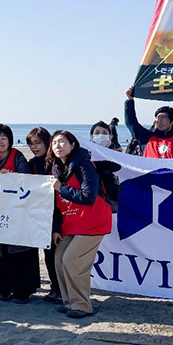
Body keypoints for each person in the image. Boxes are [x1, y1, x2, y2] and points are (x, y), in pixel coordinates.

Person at [49, 131, 112, 319]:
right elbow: (56, 203)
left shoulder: (84, 164)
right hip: (72, 221)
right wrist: (56, 229)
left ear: (73, 145)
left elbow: (88, 196)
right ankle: (69, 301)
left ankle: (82, 305)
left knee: (72, 260)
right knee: (59, 258)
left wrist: (61, 188)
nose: (58, 146)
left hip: (93, 220)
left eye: (62, 142)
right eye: (54, 143)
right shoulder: (58, 167)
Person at [0, 124, 37, 303]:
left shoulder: (17, 156)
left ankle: (22, 291)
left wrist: (11, 177)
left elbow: (26, 181)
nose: (0, 142)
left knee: (19, 251)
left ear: (10, 141)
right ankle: (2, 289)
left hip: (16, 213)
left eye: (4, 138)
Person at [26, 127, 61, 304]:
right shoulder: (32, 163)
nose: (34, 147)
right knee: (48, 254)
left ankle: (62, 289)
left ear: (47, 142)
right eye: (31, 144)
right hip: (41, 215)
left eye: (38, 143)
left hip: (60, 213)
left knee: (59, 255)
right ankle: (55, 288)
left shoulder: (57, 162)